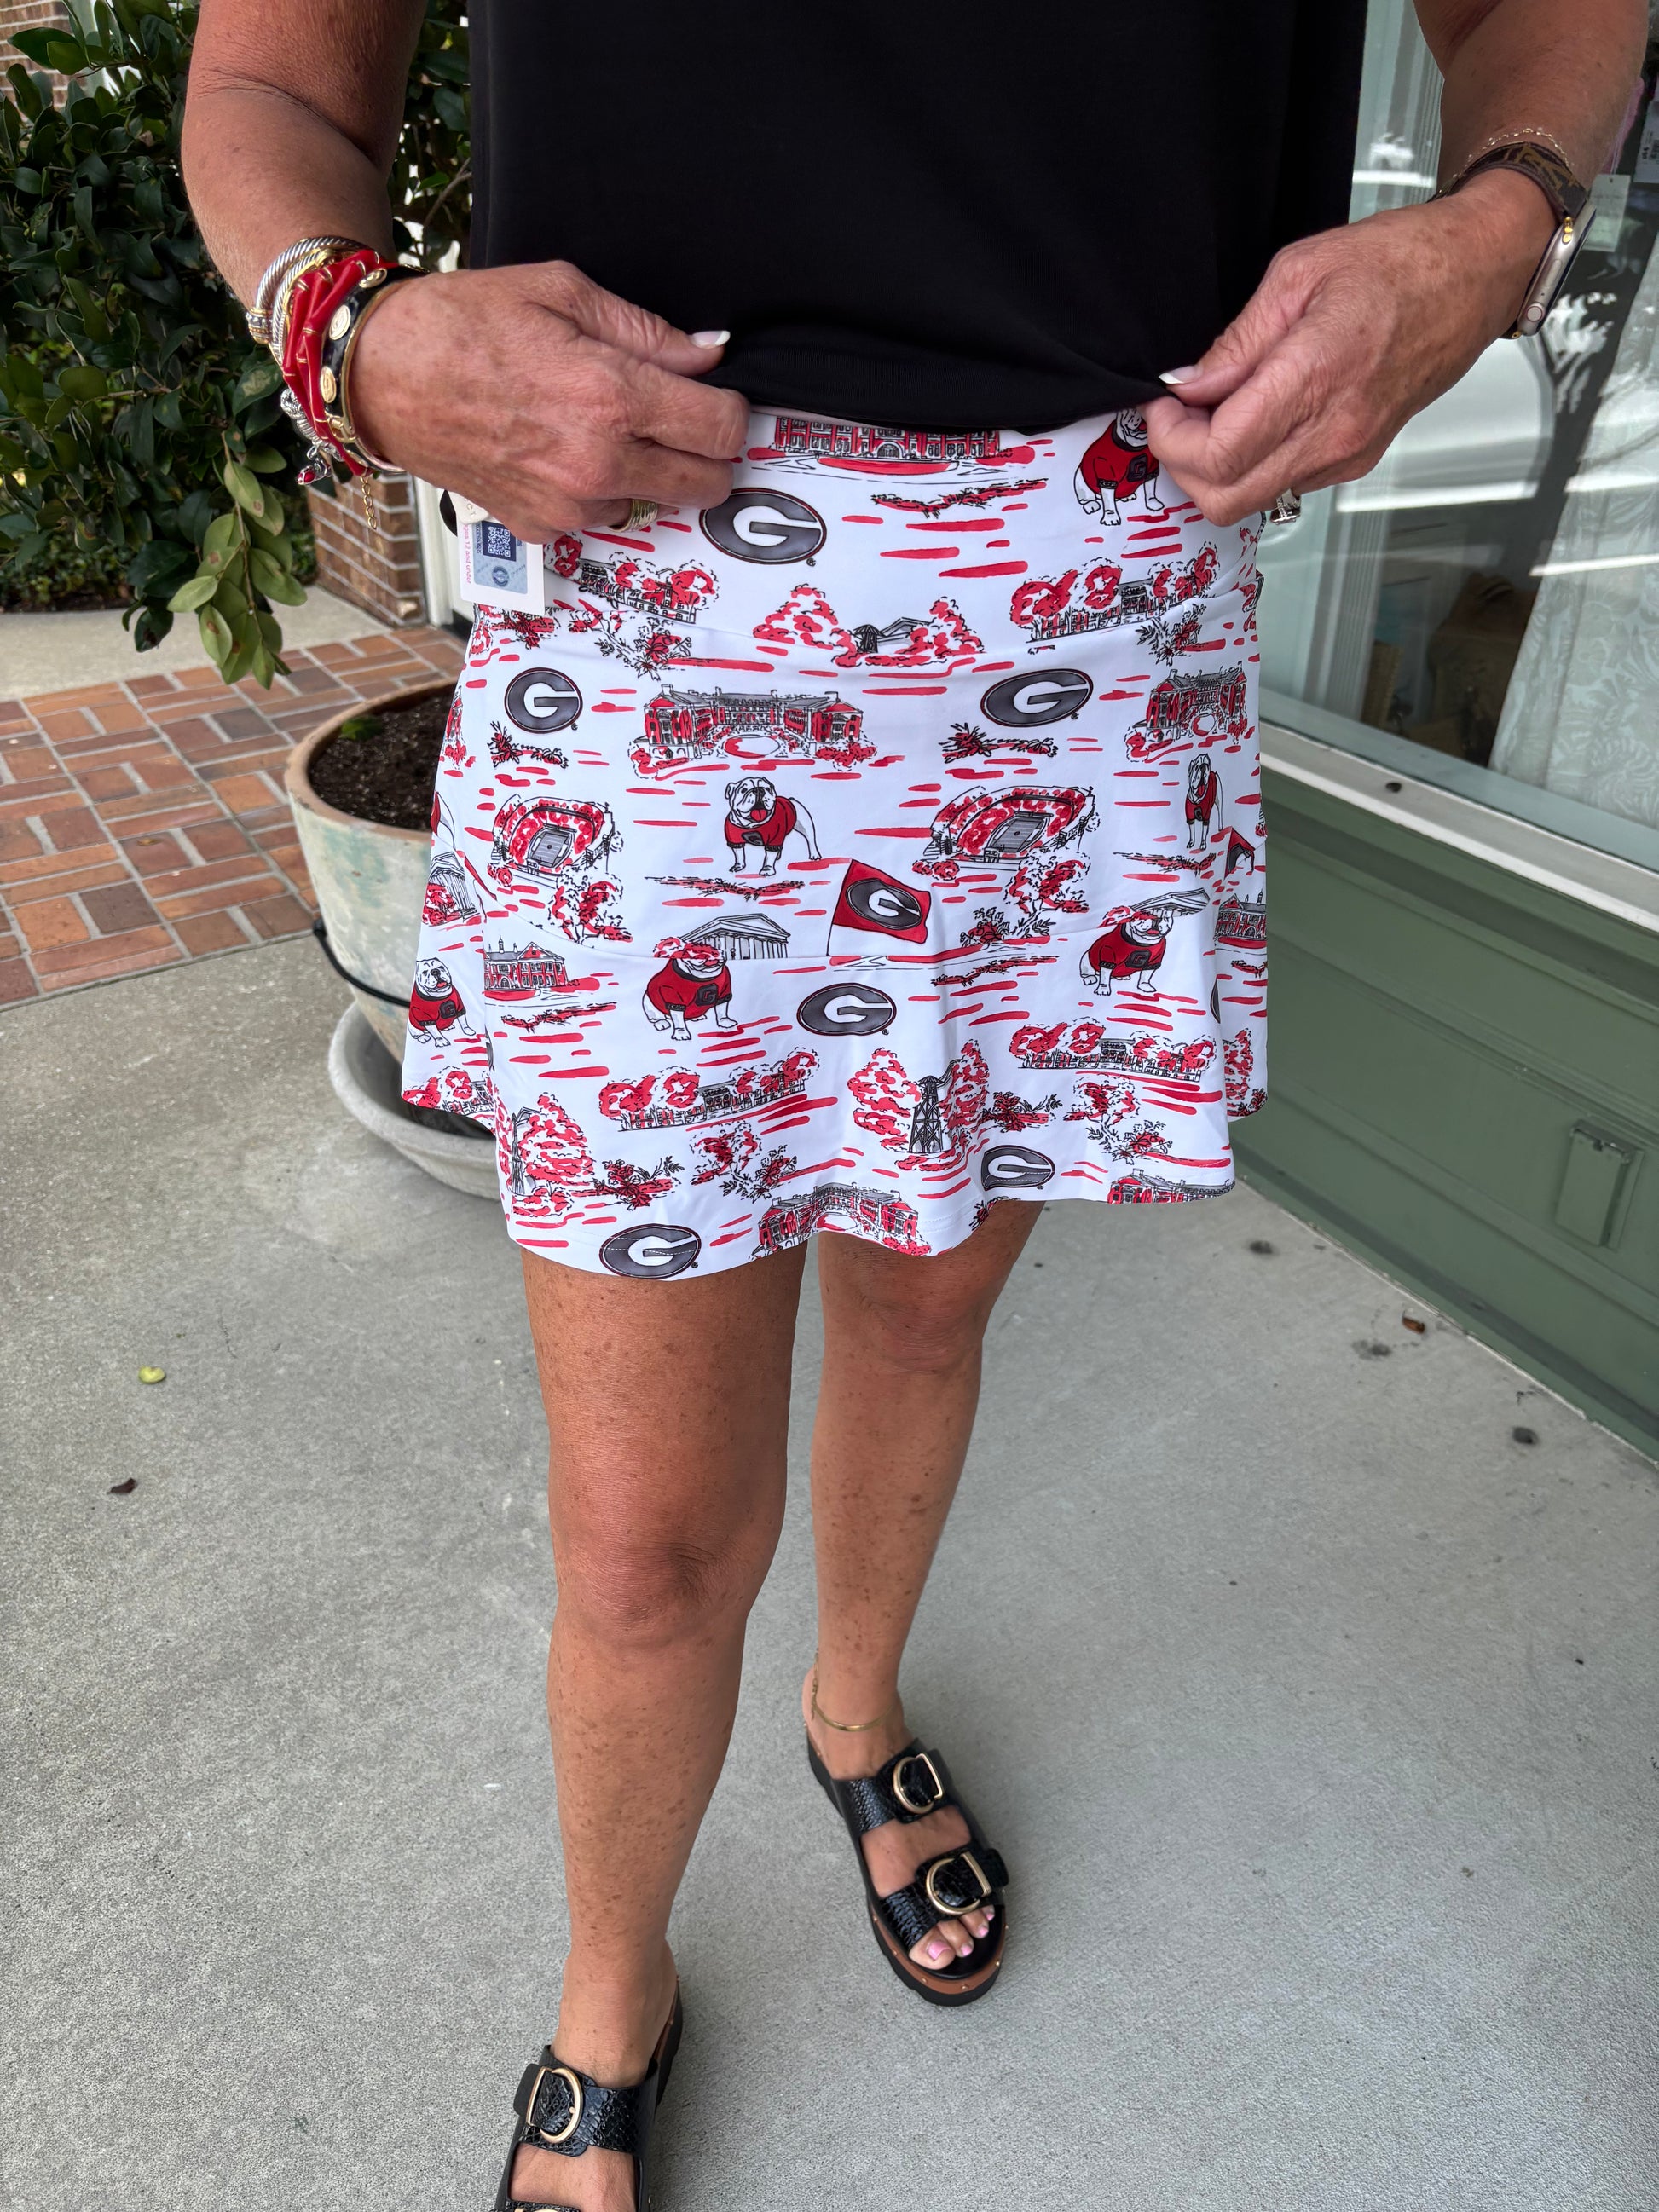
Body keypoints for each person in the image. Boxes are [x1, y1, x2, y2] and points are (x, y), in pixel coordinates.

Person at [182, 3, 1642, 2204]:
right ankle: (610, 1989)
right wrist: (346, 328)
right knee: (643, 1530)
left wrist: (1491, 223)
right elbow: (277, 81)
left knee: (928, 1314)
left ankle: (851, 1715)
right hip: (663, 643)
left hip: (1080, 642)